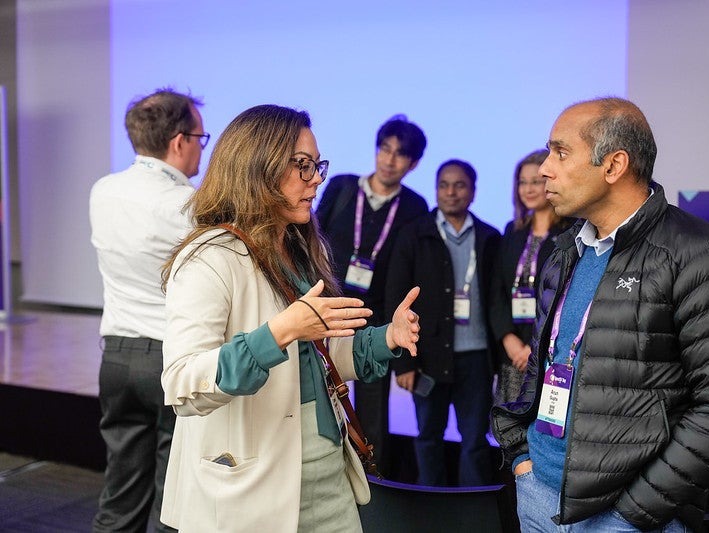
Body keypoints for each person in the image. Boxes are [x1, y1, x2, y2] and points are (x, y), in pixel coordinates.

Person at [490, 97, 709, 532]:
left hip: (627, 516)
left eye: (560, 153)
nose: (544, 168)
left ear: (614, 166)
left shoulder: (701, 256)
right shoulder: (565, 254)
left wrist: (634, 513)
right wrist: (521, 458)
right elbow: (544, 365)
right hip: (538, 495)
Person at [158, 104, 421, 532]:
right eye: (302, 166)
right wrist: (281, 331)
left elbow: (320, 358)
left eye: (317, 165)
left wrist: (386, 338)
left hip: (327, 473)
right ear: (257, 167)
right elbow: (183, 384)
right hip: (250, 486)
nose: (317, 178)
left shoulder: (298, 248)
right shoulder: (209, 258)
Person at [89, 88, 208, 532]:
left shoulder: (103, 191)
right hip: (169, 360)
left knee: (119, 498)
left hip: (116, 358)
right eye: (201, 136)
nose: (201, 147)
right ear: (179, 141)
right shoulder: (187, 205)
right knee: (172, 504)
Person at [316, 115, 429, 468]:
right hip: (328, 312)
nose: (389, 159)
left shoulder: (414, 206)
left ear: (413, 164)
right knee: (319, 392)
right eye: (385, 149)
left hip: (376, 319)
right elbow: (311, 240)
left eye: (400, 154)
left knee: (373, 408)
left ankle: (373, 476)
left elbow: (412, 270)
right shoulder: (342, 187)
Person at [386, 159, 500, 487]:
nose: (451, 192)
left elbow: (497, 299)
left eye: (460, 185)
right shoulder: (413, 236)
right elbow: (396, 299)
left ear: (473, 191)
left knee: (475, 442)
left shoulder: (490, 238)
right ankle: (431, 510)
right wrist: (404, 363)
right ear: (436, 190)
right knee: (427, 439)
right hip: (427, 359)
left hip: (476, 359)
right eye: (444, 185)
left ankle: (472, 513)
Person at [490, 149, 575, 405]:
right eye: (522, 182)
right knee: (510, 433)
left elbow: (566, 297)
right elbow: (497, 293)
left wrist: (533, 347)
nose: (528, 189)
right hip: (512, 354)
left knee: (543, 432)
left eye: (536, 182)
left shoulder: (571, 232)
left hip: (549, 353)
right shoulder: (512, 231)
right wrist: (509, 339)